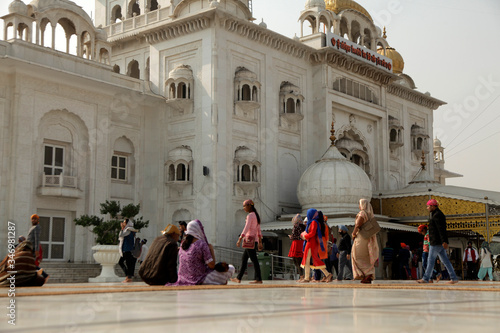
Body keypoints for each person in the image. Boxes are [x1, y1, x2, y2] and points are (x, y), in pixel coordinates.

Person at [417, 199, 459, 284]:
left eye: (428, 206)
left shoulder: (437, 215)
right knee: (445, 261)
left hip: (436, 242)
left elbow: (441, 229)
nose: (427, 208)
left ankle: (425, 278)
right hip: (437, 242)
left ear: (433, 206)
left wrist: (444, 241)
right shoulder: (435, 214)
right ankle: (453, 278)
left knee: (430, 260)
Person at [167, 219, 217, 286]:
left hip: (182, 279)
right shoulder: (201, 244)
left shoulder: (183, 243)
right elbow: (212, 265)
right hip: (198, 279)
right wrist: (211, 250)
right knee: (230, 269)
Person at [231, 199, 264, 284]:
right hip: (254, 240)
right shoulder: (256, 215)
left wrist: (240, 238)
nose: (244, 208)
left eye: (244, 206)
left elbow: (246, 228)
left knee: (254, 260)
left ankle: (259, 278)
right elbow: (258, 230)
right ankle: (239, 278)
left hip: (249, 240)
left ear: (249, 206)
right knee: (244, 259)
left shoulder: (250, 216)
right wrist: (259, 241)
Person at [298, 209, 332, 283]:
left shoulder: (313, 222)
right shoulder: (314, 222)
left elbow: (312, 233)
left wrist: (305, 236)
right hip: (312, 243)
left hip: (311, 243)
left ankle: (307, 278)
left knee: (307, 260)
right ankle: (327, 274)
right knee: (315, 260)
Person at [351, 199, 380, 284]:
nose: (359, 206)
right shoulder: (370, 214)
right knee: (366, 256)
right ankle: (368, 274)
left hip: (361, 237)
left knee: (357, 255)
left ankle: (366, 274)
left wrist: (353, 234)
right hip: (368, 237)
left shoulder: (362, 213)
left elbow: (358, 224)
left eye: (360, 204)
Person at [27, 214, 48, 279]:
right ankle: (42, 274)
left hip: (32, 249)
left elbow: (37, 239)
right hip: (29, 247)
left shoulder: (37, 227)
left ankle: (44, 274)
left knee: (31, 264)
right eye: (32, 219)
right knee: (30, 264)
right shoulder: (32, 227)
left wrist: (36, 250)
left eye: (35, 219)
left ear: (37, 220)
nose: (33, 220)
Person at [118, 219, 138, 283]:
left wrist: (122, 228)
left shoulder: (129, 230)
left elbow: (121, 235)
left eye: (124, 222)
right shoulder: (128, 230)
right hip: (126, 249)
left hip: (128, 249)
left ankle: (128, 277)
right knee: (124, 263)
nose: (123, 223)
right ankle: (128, 277)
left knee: (125, 263)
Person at [288, 214, 305, 280]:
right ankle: (302, 275)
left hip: (296, 243)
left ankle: (301, 275)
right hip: (301, 243)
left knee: (296, 260)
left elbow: (294, 235)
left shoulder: (296, 226)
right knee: (300, 260)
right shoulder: (303, 226)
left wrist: (291, 237)